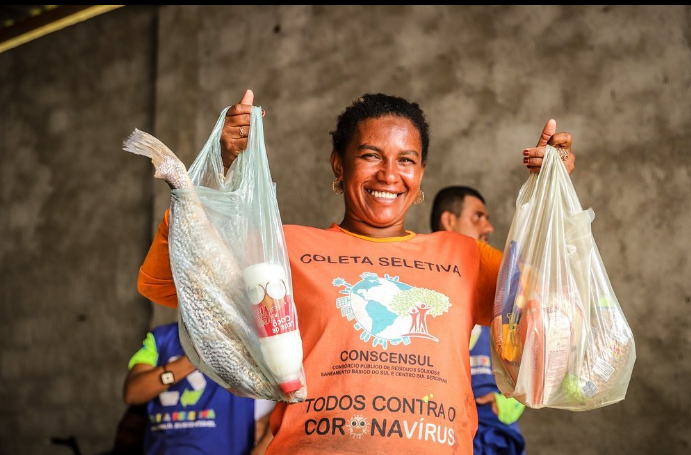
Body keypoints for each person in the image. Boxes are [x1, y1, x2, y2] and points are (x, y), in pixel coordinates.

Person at [136, 90, 575, 454]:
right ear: (338, 165)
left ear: (421, 174)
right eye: (370, 155)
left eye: (407, 160)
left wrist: (553, 194)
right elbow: (167, 284)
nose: (389, 174)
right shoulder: (284, 247)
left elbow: (551, 311)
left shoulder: (466, 255)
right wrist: (218, 166)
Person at [431, 186, 526, 455]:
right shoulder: (419, 284)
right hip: (436, 433)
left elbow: (525, 359)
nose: (489, 227)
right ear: (449, 221)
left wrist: (507, 404)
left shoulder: (499, 285)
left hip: (494, 438)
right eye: (477, 217)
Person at [123, 322, 274, 455]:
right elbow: (133, 393)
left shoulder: (244, 334)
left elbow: (290, 396)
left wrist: (263, 446)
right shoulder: (161, 337)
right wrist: (193, 359)